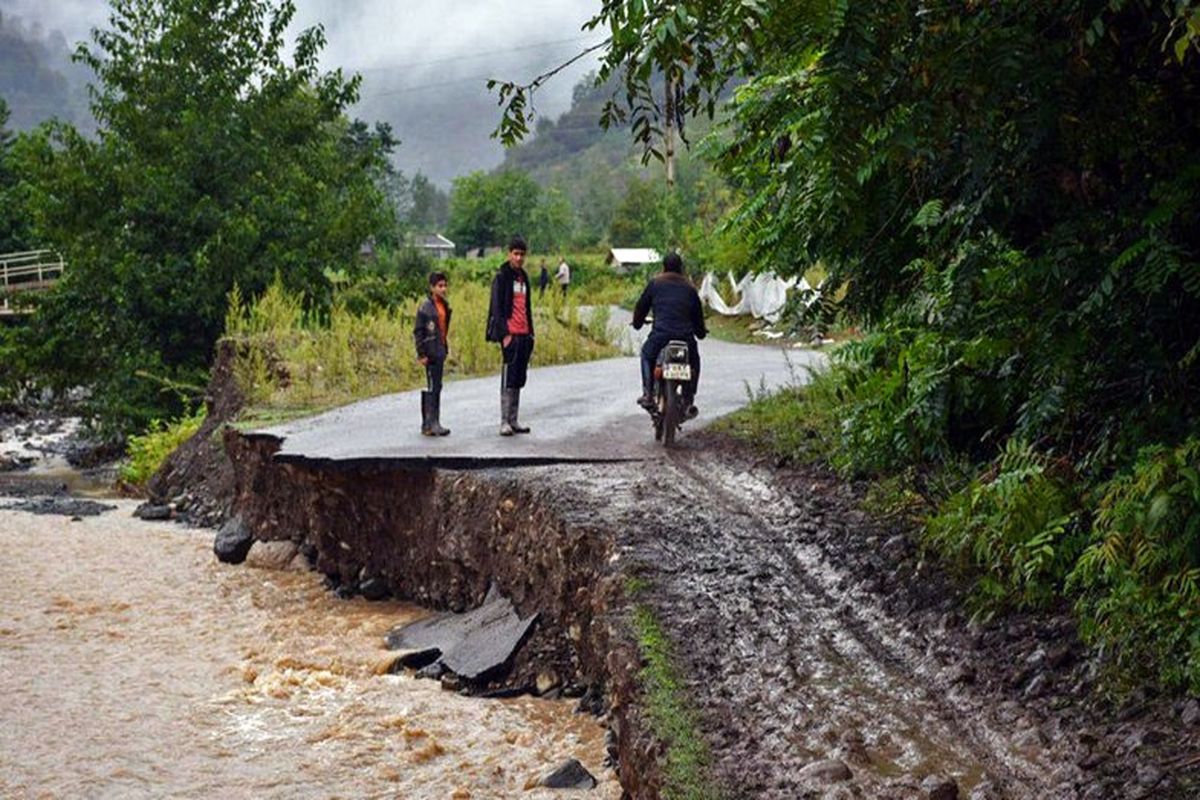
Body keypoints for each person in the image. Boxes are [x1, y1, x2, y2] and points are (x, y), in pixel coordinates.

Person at [631, 251, 707, 418]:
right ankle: (689, 399)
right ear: (681, 268)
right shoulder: (690, 288)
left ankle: (648, 394)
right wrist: (700, 333)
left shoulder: (655, 283)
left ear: (664, 267)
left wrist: (637, 323)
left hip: (661, 336)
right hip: (685, 338)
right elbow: (698, 318)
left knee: (646, 354)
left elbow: (641, 307)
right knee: (694, 362)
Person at [486, 235, 535, 436]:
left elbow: (527, 307)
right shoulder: (501, 277)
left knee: (518, 378)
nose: (519, 258)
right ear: (509, 254)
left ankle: (514, 420)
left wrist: (531, 332)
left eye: (522, 254)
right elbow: (496, 308)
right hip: (510, 334)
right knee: (507, 378)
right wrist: (504, 334)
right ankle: (504, 421)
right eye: (516, 254)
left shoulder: (524, 278)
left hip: (524, 333)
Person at [414, 271, 452, 436]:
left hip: (439, 350)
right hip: (430, 352)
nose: (443, 289)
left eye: (444, 285)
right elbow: (418, 331)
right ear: (432, 288)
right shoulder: (425, 308)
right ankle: (430, 423)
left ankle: (432, 422)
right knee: (432, 386)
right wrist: (421, 353)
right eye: (439, 286)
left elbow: (443, 330)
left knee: (437, 386)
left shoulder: (444, 306)